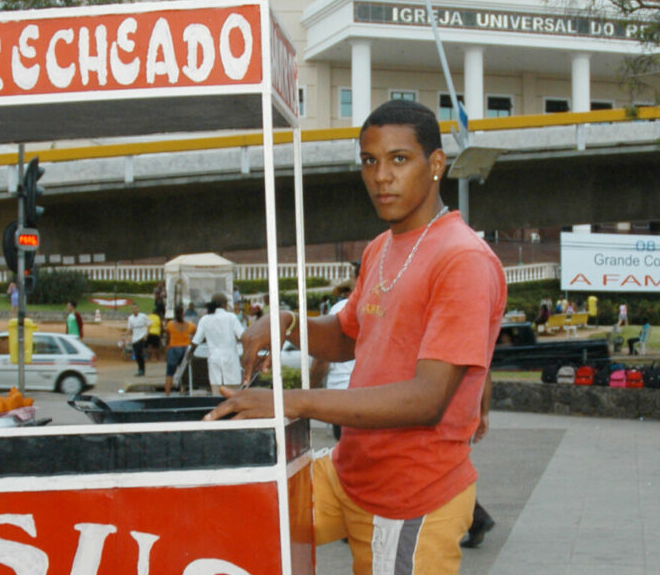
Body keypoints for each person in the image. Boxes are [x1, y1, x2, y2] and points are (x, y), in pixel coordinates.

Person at [208, 99, 506, 575]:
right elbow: (349, 336)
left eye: (398, 159)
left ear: (435, 165)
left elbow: (428, 399)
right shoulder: (381, 248)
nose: (381, 176)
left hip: (412, 500)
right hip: (350, 473)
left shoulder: (463, 259)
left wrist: (294, 401)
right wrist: (287, 322)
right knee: (227, 522)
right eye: (369, 161)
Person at [308, 280, 356, 439]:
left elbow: (321, 360)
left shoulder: (340, 308)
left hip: (340, 395)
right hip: (373, 397)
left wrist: (309, 391)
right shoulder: (383, 304)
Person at [194, 294, 246, 387]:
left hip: (214, 358)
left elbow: (196, 341)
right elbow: (242, 336)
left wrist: (189, 355)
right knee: (232, 391)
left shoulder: (204, 319)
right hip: (231, 359)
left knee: (216, 389)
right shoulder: (231, 317)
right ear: (224, 304)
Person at [163, 306, 196, 396]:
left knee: (170, 373)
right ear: (183, 313)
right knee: (184, 374)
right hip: (186, 349)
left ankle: (167, 394)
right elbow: (196, 336)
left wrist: (166, 352)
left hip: (173, 349)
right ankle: (183, 393)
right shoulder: (191, 325)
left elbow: (167, 339)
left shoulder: (170, 324)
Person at [126, 304, 152, 376]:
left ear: (138, 309)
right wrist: (126, 335)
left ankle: (142, 370)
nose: (135, 310)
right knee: (137, 354)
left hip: (141, 336)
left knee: (140, 353)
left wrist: (146, 334)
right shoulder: (130, 318)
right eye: (133, 309)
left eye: (136, 308)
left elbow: (149, 323)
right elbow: (129, 328)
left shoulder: (143, 316)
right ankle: (140, 369)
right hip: (135, 337)